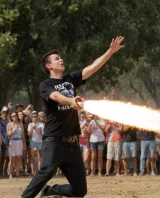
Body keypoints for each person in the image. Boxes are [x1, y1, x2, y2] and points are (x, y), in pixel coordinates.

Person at [21, 36, 124, 198]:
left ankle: (50, 190)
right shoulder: (46, 85)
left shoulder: (70, 79)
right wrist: (71, 101)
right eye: (56, 59)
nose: (61, 60)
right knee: (47, 170)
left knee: (80, 191)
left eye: (60, 57)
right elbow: (55, 96)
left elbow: (92, 68)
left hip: (73, 144)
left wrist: (110, 52)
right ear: (49, 66)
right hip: (54, 140)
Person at [7, 112, 26, 178]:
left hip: (19, 141)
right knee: (12, 158)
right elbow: (8, 134)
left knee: (19, 158)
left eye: (15, 115)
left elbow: (23, 135)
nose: (14, 117)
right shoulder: (9, 124)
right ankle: (10, 174)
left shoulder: (21, 124)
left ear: (17, 116)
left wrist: (24, 144)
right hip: (12, 141)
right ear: (11, 117)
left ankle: (17, 173)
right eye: (13, 116)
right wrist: (13, 131)